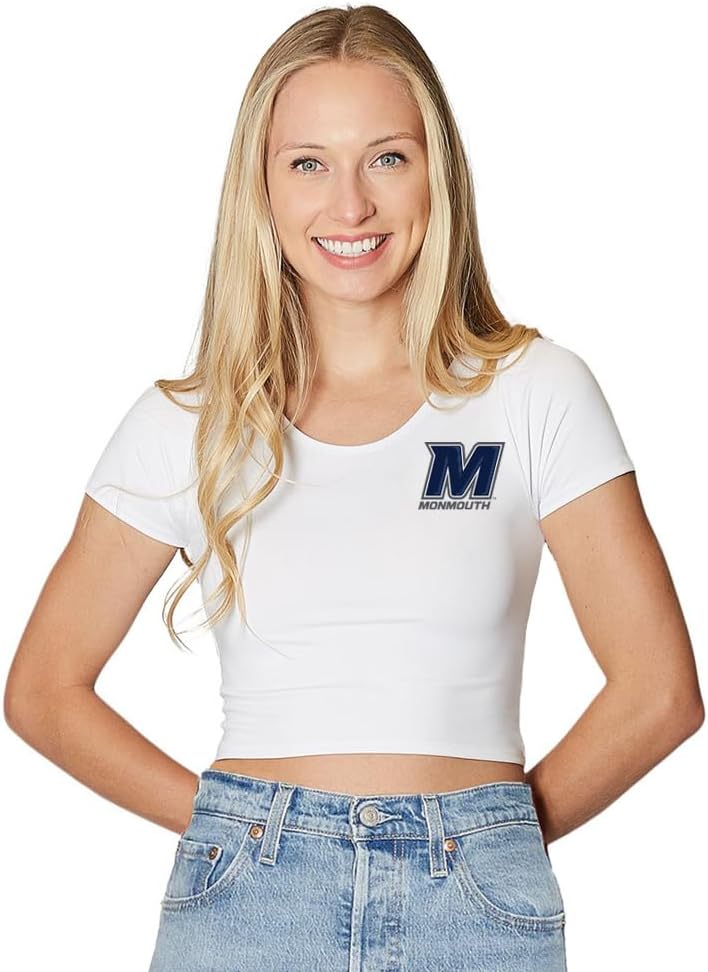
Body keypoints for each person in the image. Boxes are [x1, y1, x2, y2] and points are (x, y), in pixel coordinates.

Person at [5, 6, 704, 971]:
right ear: (260, 187)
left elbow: (660, 692)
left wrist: (489, 838)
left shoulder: (536, 392)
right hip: (245, 911)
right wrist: (238, 829)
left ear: (437, 172)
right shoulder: (189, 423)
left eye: (386, 158)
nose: (349, 206)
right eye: (308, 163)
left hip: (477, 909)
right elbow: (44, 691)